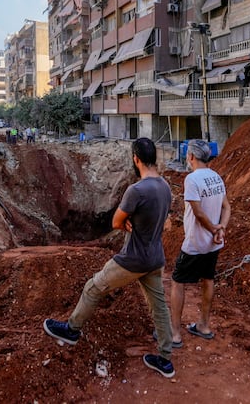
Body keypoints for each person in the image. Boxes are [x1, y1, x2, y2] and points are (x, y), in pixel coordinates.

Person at [44, 138, 176, 378]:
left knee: (93, 288)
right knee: (159, 308)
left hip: (133, 259)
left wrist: (126, 222)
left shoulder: (136, 190)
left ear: (136, 159)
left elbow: (115, 221)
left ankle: (72, 330)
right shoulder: (165, 186)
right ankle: (165, 360)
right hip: (156, 258)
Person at [170, 139, 231, 346]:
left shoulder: (192, 179)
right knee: (208, 279)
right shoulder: (217, 177)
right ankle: (203, 325)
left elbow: (197, 213)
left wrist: (215, 228)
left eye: (187, 154)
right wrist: (221, 229)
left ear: (191, 157)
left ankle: (175, 333)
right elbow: (226, 207)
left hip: (195, 243)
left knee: (178, 282)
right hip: (214, 243)